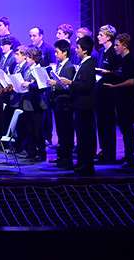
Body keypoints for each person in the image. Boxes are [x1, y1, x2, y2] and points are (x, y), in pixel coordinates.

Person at [58, 35, 97, 175]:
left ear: (85, 50)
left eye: (78, 48)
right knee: (81, 136)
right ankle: (82, 163)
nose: (76, 50)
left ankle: (86, 165)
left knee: (85, 136)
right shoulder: (84, 64)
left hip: (85, 106)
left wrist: (70, 83)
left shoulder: (89, 64)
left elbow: (87, 86)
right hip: (80, 105)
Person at [104, 33, 134, 168]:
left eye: (117, 45)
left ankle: (130, 158)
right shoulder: (122, 60)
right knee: (124, 129)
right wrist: (108, 73)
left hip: (127, 100)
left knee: (127, 128)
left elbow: (130, 81)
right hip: (122, 99)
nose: (115, 47)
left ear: (124, 46)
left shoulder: (129, 61)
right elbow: (121, 75)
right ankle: (128, 155)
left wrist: (113, 86)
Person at [47, 40, 76, 170]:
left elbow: (67, 85)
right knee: (60, 132)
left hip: (65, 104)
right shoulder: (60, 65)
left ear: (65, 52)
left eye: (58, 52)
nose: (56, 54)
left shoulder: (69, 67)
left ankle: (67, 158)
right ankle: (61, 156)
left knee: (66, 132)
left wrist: (55, 83)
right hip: (58, 103)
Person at [95, 24, 121, 164]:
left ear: (108, 37)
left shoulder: (113, 52)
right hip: (100, 90)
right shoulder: (101, 51)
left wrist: (107, 72)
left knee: (108, 123)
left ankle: (110, 153)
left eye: (101, 35)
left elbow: (119, 73)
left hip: (109, 91)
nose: (98, 37)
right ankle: (104, 150)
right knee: (101, 122)